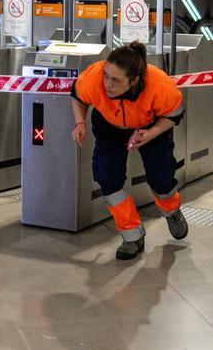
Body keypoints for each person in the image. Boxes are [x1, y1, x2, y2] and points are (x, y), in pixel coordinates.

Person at [70, 41, 189, 260]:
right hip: (109, 125)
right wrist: (80, 123)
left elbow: (175, 113)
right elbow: (77, 95)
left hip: (151, 126)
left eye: (116, 80)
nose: (107, 83)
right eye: (106, 75)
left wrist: (151, 133)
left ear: (134, 80)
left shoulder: (159, 84)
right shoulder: (95, 76)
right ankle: (132, 235)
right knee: (107, 177)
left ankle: (171, 211)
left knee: (160, 177)